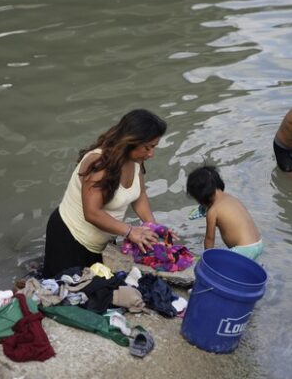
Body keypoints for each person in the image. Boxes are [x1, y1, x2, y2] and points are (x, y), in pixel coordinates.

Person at [41, 109, 171, 278]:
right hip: (70, 238)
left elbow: (140, 196)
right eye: (148, 147)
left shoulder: (135, 161)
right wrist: (131, 231)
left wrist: (153, 229)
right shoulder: (98, 164)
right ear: (131, 141)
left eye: (154, 147)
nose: (151, 154)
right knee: (63, 291)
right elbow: (92, 213)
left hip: (101, 242)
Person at [186, 166, 263, 261]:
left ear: (201, 197)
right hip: (258, 244)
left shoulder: (213, 211)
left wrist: (207, 259)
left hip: (243, 250)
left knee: (219, 262)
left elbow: (209, 239)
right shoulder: (231, 199)